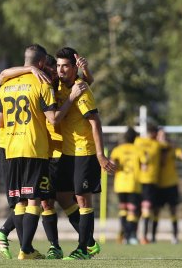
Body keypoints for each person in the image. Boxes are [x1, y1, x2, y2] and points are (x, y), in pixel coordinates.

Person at [0, 44, 84, 260]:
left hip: (10, 148)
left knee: (23, 200)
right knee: (35, 199)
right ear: (41, 63)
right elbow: (53, 118)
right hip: (35, 147)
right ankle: (26, 249)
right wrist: (71, 99)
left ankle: (24, 245)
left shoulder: (5, 85)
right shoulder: (42, 84)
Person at [55, 47, 116, 260]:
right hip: (67, 152)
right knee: (62, 196)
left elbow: (95, 122)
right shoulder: (62, 85)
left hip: (85, 151)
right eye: (58, 65)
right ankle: (89, 240)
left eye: (65, 66)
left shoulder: (80, 89)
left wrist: (100, 154)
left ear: (73, 69)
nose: (61, 70)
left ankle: (82, 249)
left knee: (82, 199)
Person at [152, 128, 182, 244]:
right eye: (161, 135)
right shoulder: (154, 147)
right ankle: (153, 237)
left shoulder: (173, 148)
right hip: (158, 184)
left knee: (173, 211)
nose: (163, 137)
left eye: (165, 135)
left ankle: (175, 237)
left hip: (171, 184)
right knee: (156, 211)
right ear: (157, 137)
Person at [110, 127, 144, 245]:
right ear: (135, 138)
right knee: (132, 211)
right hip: (133, 184)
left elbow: (113, 164)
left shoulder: (117, 150)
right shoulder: (138, 150)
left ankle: (124, 235)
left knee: (123, 210)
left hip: (119, 184)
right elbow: (145, 165)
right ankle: (131, 236)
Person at [134, 124, 161, 244]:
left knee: (133, 209)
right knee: (146, 209)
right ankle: (143, 237)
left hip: (137, 180)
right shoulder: (156, 145)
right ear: (155, 133)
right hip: (149, 180)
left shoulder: (138, 141)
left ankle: (129, 235)